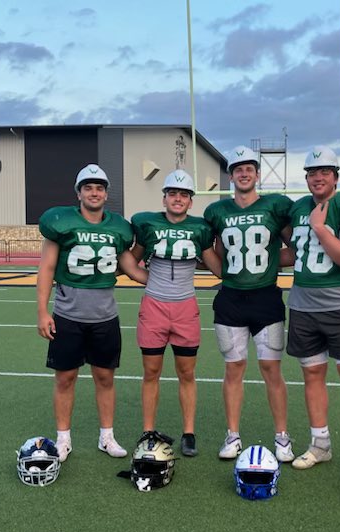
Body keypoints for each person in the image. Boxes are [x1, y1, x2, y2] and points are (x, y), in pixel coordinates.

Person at [36, 164, 147, 462]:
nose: (94, 192)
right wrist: (42, 311)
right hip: (68, 315)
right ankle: (63, 439)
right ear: (79, 193)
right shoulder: (61, 223)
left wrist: (165, 277)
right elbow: (46, 268)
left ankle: (106, 437)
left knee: (105, 378)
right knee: (65, 378)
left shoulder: (117, 228)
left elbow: (131, 268)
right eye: (88, 187)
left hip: (105, 316)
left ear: (106, 193)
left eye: (99, 188)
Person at [284, 145, 340, 481]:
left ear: (336, 176)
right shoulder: (298, 210)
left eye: (324, 171)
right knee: (312, 375)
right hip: (303, 306)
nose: (317, 177)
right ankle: (320, 443)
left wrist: (321, 228)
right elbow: (296, 252)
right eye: (312, 172)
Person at [203, 145, 294, 462]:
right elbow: (214, 251)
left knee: (272, 369)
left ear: (257, 174)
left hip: (266, 297)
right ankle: (232, 435)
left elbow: (295, 247)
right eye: (238, 168)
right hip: (230, 299)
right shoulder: (218, 211)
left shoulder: (274, 207)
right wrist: (226, 271)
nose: (243, 173)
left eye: (249, 168)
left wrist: (267, 263)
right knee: (233, 369)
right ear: (231, 175)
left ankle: (282, 437)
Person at [131, 170, 221, 457]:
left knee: (187, 373)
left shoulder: (200, 228)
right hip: (154, 306)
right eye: (173, 194)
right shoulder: (148, 223)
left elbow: (216, 266)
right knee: (151, 372)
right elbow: (130, 259)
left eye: (183, 195)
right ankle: (148, 430)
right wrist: (148, 280)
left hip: (185, 308)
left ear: (191, 201)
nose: (178, 199)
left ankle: (189, 432)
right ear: (164, 198)